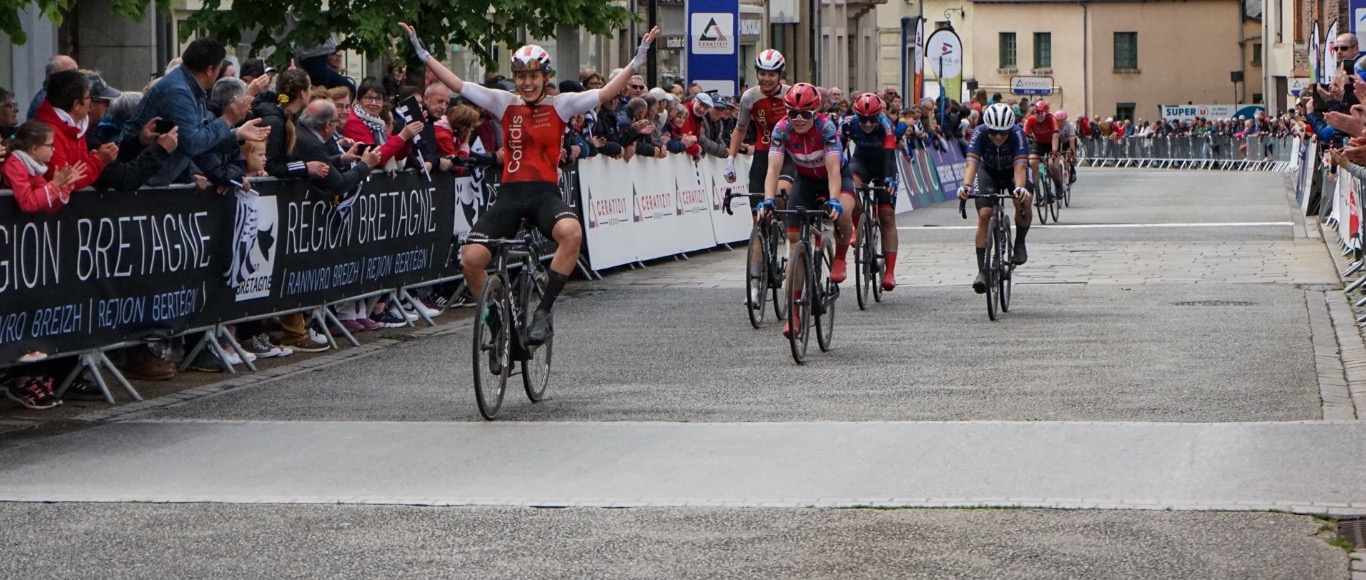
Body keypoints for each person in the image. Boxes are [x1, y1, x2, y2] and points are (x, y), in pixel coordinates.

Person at [404, 21, 659, 345]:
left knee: (572, 234)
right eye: (521, 77)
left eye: (533, 77)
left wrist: (638, 59)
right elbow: (458, 83)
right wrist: (423, 53)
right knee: (470, 260)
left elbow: (606, 92)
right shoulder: (503, 102)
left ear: (544, 78)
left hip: (544, 196)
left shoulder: (561, 105)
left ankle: (544, 311)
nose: (526, 83)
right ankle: (496, 324)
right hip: (510, 195)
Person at [754, 83, 858, 338]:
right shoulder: (782, 129)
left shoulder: (826, 128)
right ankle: (794, 312)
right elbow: (773, 170)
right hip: (805, 181)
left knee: (843, 211)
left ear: (815, 112)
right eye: (793, 114)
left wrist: (833, 199)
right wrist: (768, 199)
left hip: (833, 178)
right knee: (793, 243)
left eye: (805, 114)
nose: (798, 120)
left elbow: (834, 170)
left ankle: (840, 257)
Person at [120, 38, 270, 186]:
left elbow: (200, 138)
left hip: (155, 180)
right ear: (209, 70)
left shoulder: (190, 87)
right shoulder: (179, 91)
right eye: (219, 69)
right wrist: (227, 119)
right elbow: (193, 144)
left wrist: (237, 134)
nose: (219, 74)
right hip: (143, 182)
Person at [957, 103, 1033, 293]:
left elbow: (1020, 168)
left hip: (1011, 172)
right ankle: (982, 271)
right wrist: (966, 186)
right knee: (984, 215)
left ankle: (1020, 242)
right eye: (994, 133)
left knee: (1023, 199)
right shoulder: (979, 133)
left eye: (1003, 133)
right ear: (987, 127)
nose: (998, 137)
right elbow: (972, 164)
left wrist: (1020, 189)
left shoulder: (1017, 134)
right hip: (988, 171)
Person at [843, 93, 900, 291]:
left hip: (884, 165)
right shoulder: (849, 123)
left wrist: (888, 179)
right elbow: (840, 152)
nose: (867, 124)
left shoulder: (886, 125)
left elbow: (889, 157)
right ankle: (857, 223)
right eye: (864, 120)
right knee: (850, 189)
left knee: (887, 215)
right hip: (861, 163)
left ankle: (890, 272)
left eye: (872, 120)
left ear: (879, 116)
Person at [725, 49, 791, 202]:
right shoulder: (749, 96)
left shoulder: (790, 94)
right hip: (763, 151)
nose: (766, 79)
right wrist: (730, 158)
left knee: (779, 194)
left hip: (789, 152)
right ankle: (760, 225)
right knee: (756, 201)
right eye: (762, 74)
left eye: (771, 75)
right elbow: (740, 128)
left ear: (780, 75)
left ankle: (787, 224)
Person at [1021, 100, 1063, 194]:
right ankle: (1035, 188)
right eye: (1037, 112)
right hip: (1038, 143)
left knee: (1052, 164)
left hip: (1051, 143)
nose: (1039, 115)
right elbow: (1025, 138)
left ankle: (1058, 184)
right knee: (1032, 162)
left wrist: (1054, 151)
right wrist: (1023, 152)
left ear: (1046, 113)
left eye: (1042, 113)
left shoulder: (1051, 118)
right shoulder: (1030, 120)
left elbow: (1055, 136)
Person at [1055, 110, 1078, 184]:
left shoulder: (1069, 126)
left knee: (1068, 155)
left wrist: (1072, 154)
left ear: (1065, 120)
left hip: (1069, 142)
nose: (1060, 123)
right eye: (1058, 121)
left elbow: (1072, 142)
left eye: (1062, 121)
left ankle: (1072, 169)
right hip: (1058, 140)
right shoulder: (1054, 126)